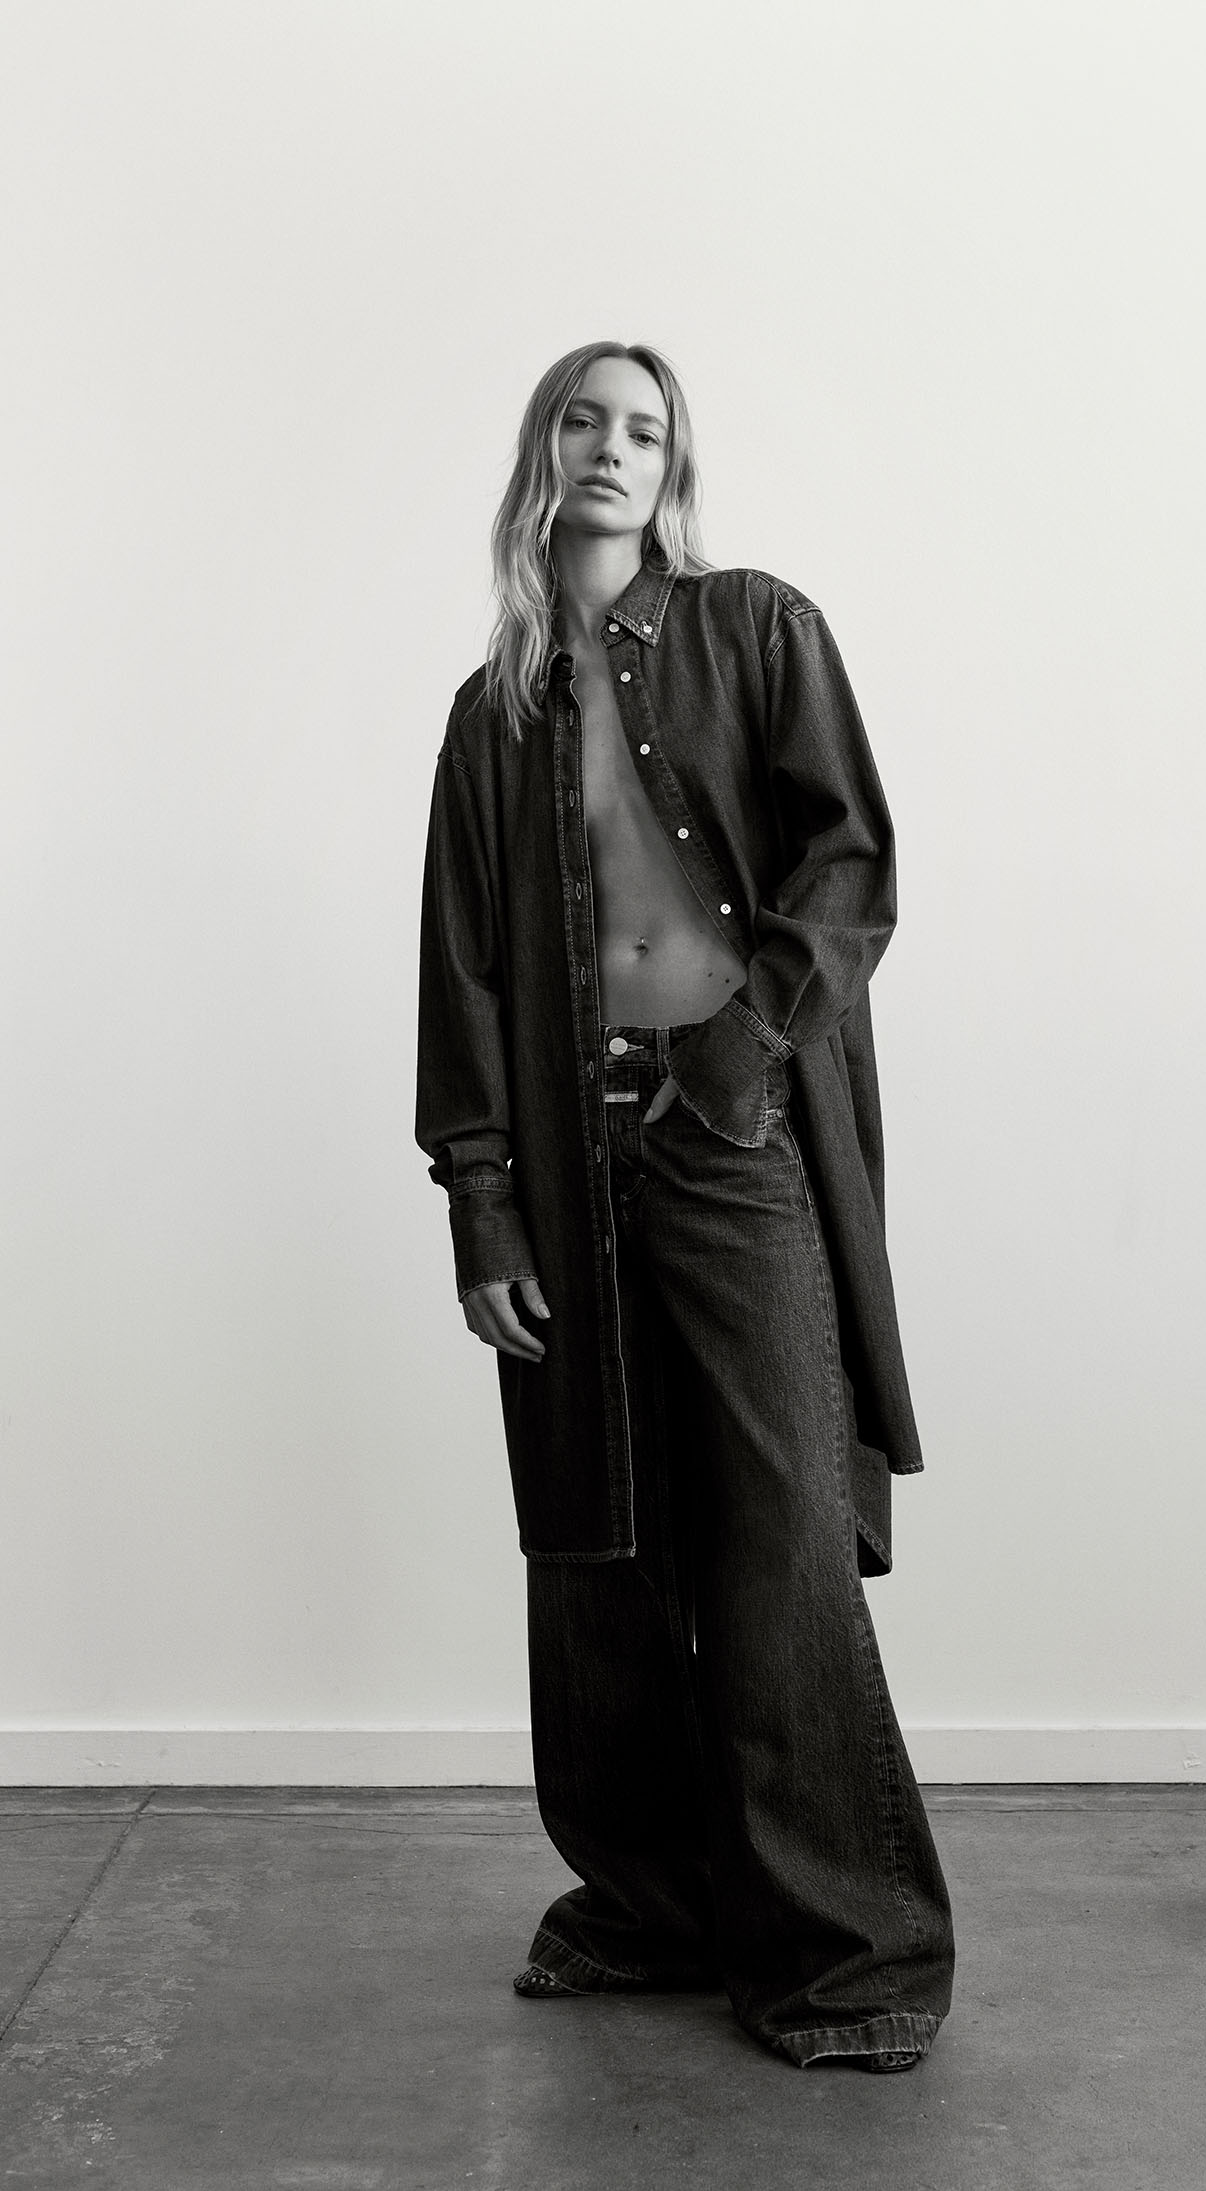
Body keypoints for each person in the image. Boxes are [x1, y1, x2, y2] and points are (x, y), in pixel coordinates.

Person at [416, 340, 954, 2071]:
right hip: (564, 1147)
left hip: (731, 1129)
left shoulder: (756, 629)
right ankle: (651, 1909)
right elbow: (464, 976)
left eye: (644, 430)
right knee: (599, 1538)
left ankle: (852, 1959)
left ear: (673, 470)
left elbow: (850, 862)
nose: (612, 448)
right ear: (542, 452)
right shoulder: (492, 710)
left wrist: (739, 1054)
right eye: (584, 420)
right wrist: (484, 1205)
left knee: (780, 1528)